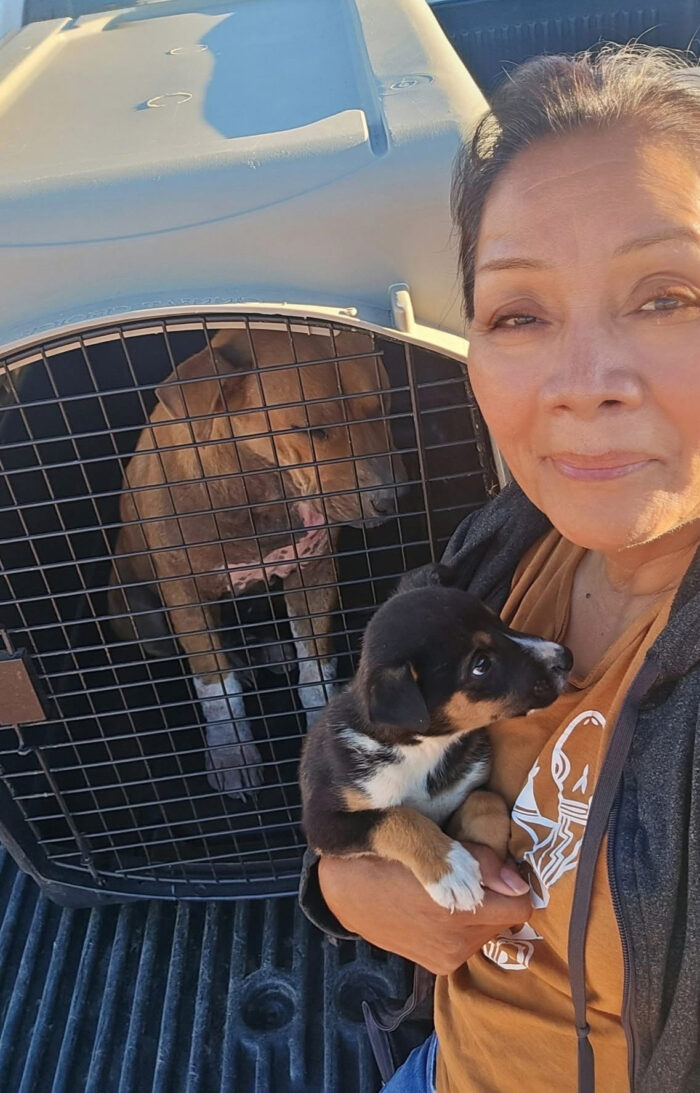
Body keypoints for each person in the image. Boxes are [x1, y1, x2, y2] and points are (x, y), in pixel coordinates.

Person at [298, 43, 700, 1093]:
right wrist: (344, 884)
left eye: (665, 296)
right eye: (519, 312)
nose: (583, 383)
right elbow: (364, 730)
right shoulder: (512, 537)